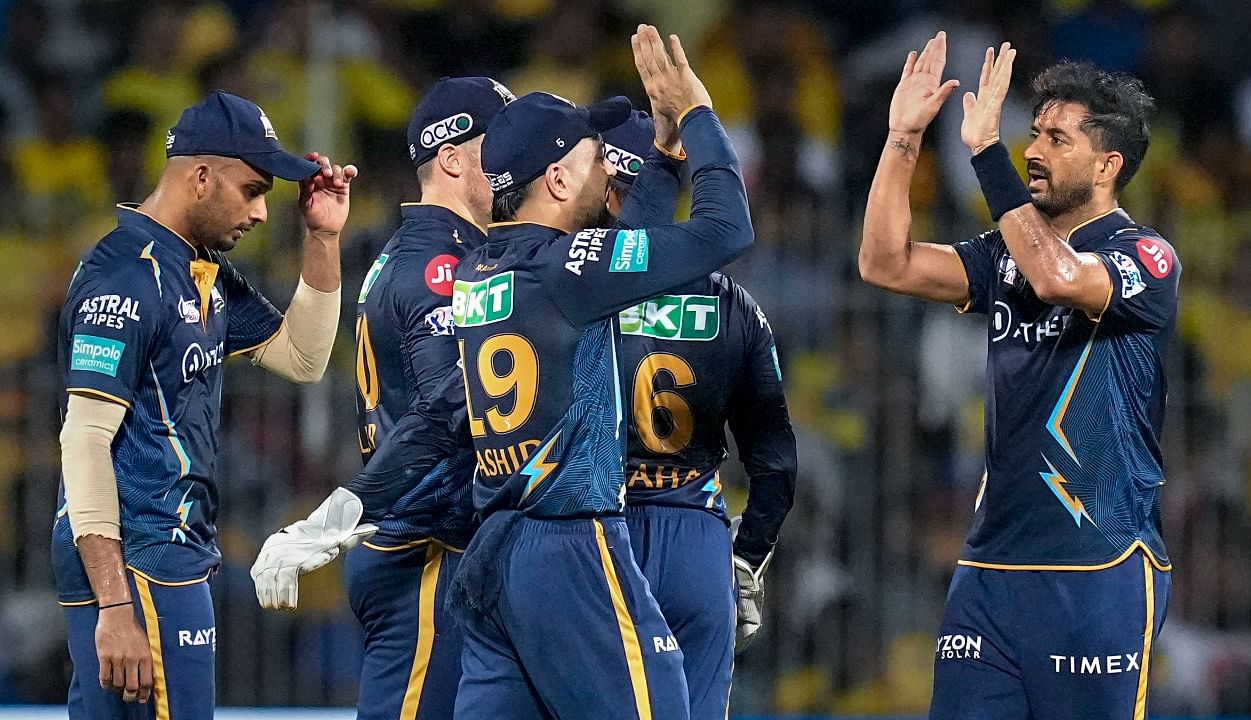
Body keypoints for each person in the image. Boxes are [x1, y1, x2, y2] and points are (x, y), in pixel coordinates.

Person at [858, 33, 1178, 719]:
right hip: (991, 566)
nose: (1032, 150)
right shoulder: (1005, 251)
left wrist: (982, 155)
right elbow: (886, 263)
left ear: (1107, 165)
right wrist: (903, 140)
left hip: (1098, 561)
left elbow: (1058, 277)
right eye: (1032, 134)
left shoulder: (1145, 255)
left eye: (1058, 139)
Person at [448, 25, 752, 719]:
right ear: (557, 178)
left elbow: (618, 254)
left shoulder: (479, 271)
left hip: (494, 548)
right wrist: (699, 115)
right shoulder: (565, 273)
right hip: (570, 542)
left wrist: (667, 156)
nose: (612, 169)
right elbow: (725, 231)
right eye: (594, 158)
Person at [53, 90, 357, 720]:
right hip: (140, 558)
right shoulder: (126, 277)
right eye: (253, 189)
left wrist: (323, 239)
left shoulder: (197, 271)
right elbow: (83, 440)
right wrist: (114, 604)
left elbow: (302, 358)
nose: (263, 213)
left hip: (156, 552)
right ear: (199, 177)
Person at [249, 76, 514, 720]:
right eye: (500, 142)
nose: (517, 161)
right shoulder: (441, 266)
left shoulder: (433, 253)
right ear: (452, 157)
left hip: (428, 539)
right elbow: (448, 410)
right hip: (423, 544)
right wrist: (343, 510)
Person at [604, 109, 799, 719]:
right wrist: (745, 556)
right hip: (698, 538)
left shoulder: (574, 287)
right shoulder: (737, 306)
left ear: (612, 192)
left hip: (598, 530)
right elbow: (775, 465)